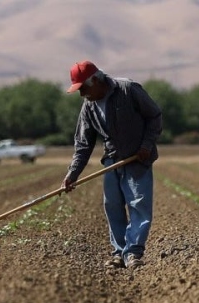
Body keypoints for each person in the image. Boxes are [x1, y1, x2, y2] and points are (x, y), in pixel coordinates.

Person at [61, 60, 162, 268]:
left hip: (137, 159)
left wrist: (146, 145)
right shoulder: (88, 105)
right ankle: (119, 251)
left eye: (84, 89)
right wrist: (73, 174)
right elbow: (83, 143)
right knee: (112, 206)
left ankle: (133, 253)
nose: (82, 95)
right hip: (112, 160)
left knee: (138, 205)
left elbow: (154, 116)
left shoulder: (128, 90)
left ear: (96, 80)